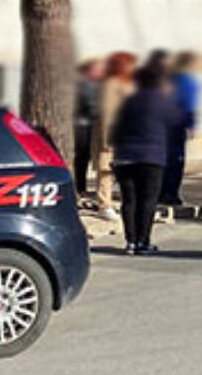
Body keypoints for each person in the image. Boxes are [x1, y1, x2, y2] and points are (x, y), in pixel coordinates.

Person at [111, 65, 184, 255]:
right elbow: (177, 121)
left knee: (129, 200)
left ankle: (131, 242)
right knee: (148, 200)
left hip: (125, 156)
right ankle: (144, 241)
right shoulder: (164, 101)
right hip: (151, 157)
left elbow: (115, 129)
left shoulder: (128, 102)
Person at [92, 52, 138, 217]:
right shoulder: (111, 84)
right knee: (106, 170)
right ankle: (104, 204)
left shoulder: (127, 82)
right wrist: (108, 139)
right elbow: (108, 112)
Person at [160, 51, 201, 208]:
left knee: (165, 160)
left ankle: (163, 192)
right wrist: (191, 126)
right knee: (176, 161)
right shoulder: (187, 81)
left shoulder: (167, 79)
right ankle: (171, 194)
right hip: (177, 124)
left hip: (164, 125)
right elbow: (189, 105)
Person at [73, 59, 105, 195]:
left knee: (82, 158)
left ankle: (81, 186)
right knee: (82, 157)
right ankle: (80, 187)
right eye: (99, 69)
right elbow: (92, 107)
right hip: (84, 126)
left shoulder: (85, 84)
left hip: (82, 124)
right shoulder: (88, 85)